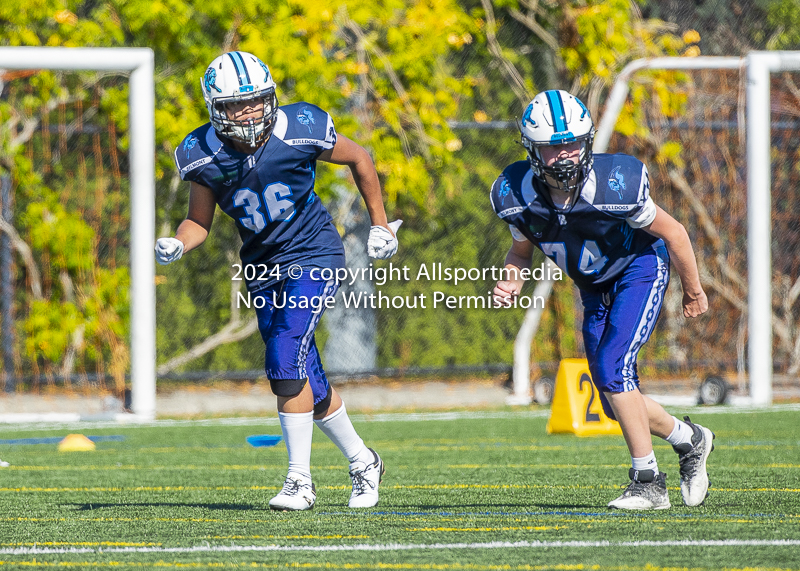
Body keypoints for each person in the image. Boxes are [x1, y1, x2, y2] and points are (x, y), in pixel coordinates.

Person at [156, 51, 401, 511]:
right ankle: (363, 460)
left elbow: (360, 158)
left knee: (284, 352)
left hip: (313, 252)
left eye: (255, 101)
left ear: (270, 99)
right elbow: (198, 221)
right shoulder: (202, 153)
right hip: (263, 267)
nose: (248, 112)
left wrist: (380, 224)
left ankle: (299, 483)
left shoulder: (299, 126)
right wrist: (177, 243)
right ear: (215, 108)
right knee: (304, 371)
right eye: (236, 105)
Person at [490, 89, 714, 510]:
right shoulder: (515, 193)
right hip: (593, 288)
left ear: (588, 140)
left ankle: (648, 482)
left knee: (614, 370)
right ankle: (691, 441)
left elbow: (675, 233)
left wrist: (693, 289)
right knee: (615, 403)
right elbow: (520, 251)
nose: (566, 156)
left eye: (573, 143)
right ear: (532, 151)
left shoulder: (614, 184)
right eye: (553, 148)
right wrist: (511, 281)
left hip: (639, 269)